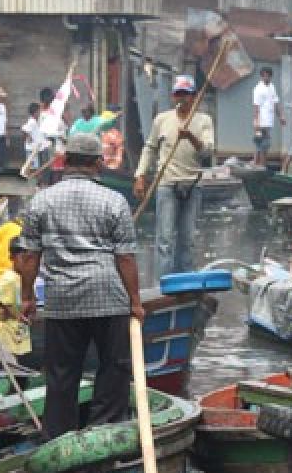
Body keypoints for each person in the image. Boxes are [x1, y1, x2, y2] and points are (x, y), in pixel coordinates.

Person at [17, 133, 145, 441]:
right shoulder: (115, 200)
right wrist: (136, 302)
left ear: (64, 162)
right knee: (114, 369)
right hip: (108, 296)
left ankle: (59, 438)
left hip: (63, 299)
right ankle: (104, 430)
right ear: (98, 164)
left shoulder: (42, 200)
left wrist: (26, 298)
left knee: (62, 375)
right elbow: (124, 258)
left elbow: (29, 256)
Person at [133, 74, 215, 279]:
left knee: (188, 239)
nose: (182, 98)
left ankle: (186, 284)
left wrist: (191, 138)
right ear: (173, 96)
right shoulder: (162, 120)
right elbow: (150, 148)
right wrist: (140, 175)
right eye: (178, 94)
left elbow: (207, 152)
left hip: (192, 184)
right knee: (165, 240)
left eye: (186, 95)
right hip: (167, 184)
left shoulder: (204, 120)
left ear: (195, 97)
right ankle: (164, 286)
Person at [0, 237, 32, 359]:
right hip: (6, 338)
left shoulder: (24, 279)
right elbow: (4, 311)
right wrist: (19, 314)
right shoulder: (9, 279)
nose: (25, 262)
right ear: (12, 258)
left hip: (17, 338)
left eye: (28, 258)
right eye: (21, 257)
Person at [251, 67, 284, 167]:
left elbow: (276, 103)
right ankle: (261, 166)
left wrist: (281, 116)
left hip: (269, 121)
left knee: (260, 145)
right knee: (263, 144)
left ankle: (257, 164)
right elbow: (256, 106)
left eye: (269, 75)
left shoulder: (272, 87)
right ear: (261, 76)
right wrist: (256, 121)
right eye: (265, 75)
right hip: (261, 122)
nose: (267, 77)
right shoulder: (258, 89)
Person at [21, 102, 48, 172]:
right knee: (33, 167)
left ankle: (36, 180)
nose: (40, 113)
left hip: (35, 148)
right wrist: (28, 137)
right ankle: (33, 180)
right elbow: (23, 129)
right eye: (39, 111)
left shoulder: (36, 120)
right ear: (35, 112)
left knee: (36, 166)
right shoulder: (32, 121)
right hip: (31, 148)